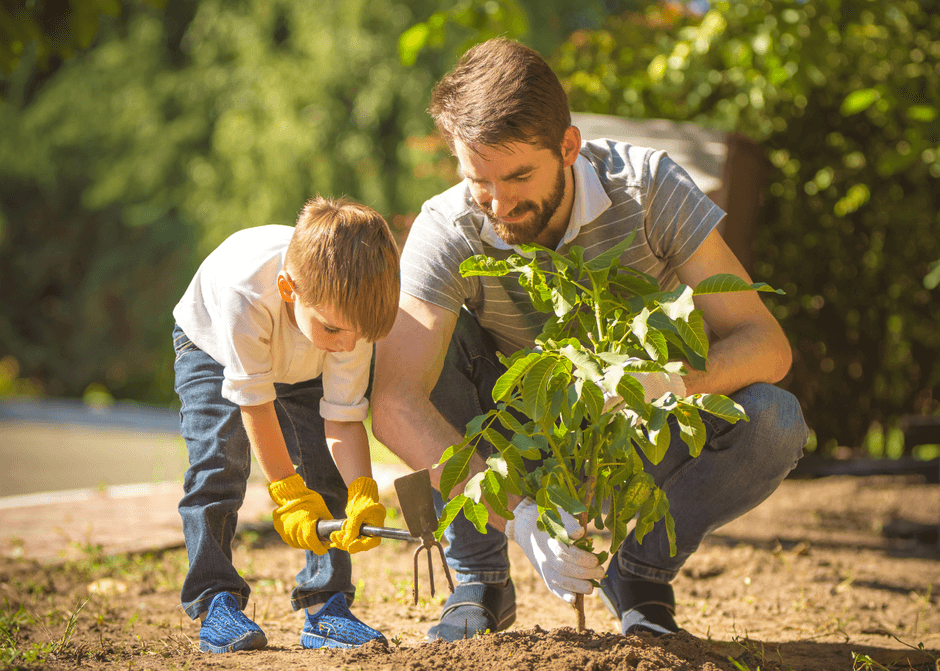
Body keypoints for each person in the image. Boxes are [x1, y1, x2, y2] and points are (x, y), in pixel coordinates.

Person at [372, 38, 809, 641]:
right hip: (516, 443)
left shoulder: (648, 188)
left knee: (775, 420)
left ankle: (640, 574)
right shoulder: (447, 228)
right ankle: (478, 578)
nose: (498, 204)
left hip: (637, 431)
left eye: (520, 176)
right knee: (424, 342)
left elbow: (766, 343)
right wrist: (519, 515)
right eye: (480, 181)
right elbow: (395, 402)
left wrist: (663, 382)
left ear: (569, 147)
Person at [172, 196, 400, 652]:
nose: (348, 345)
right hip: (214, 348)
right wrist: (288, 493)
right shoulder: (246, 293)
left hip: (302, 359)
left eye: (359, 335)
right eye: (337, 331)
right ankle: (215, 600)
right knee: (218, 465)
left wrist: (362, 489)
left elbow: (343, 417)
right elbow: (254, 403)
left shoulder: (345, 322)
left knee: (327, 471)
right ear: (287, 288)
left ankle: (326, 605)